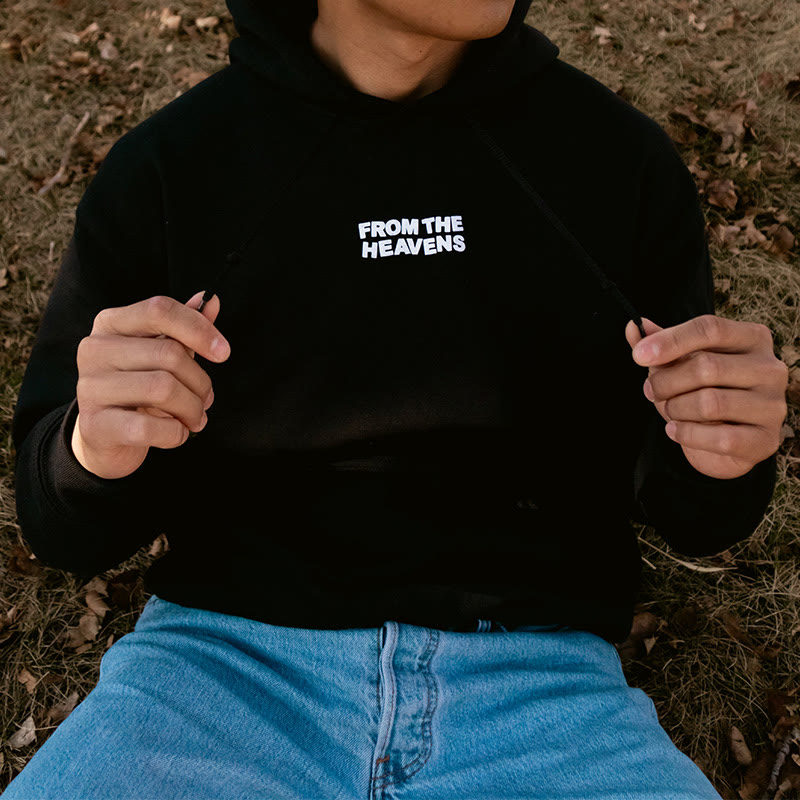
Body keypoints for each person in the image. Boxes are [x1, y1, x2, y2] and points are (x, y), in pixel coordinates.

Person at [5, 1, 787, 798]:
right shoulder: (171, 167)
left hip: (544, 697)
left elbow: (693, 510)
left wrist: (724, 449)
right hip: (218, 681)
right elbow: (59, 526)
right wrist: (91, 451)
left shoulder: (615, 161)